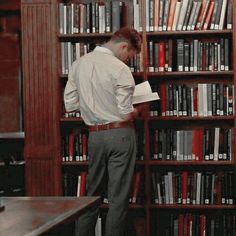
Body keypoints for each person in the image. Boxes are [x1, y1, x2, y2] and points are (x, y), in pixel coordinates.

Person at [64, 27, 144, 236]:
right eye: (130, 55)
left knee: (91, 195)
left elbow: (70, 104)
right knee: (118, 197)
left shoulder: (78, 63)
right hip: (120, 135)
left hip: (94, 136)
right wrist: (138, 110)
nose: (128, 60)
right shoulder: (119, 69)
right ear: (124, 46)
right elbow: (125, 113)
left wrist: (94, 104)